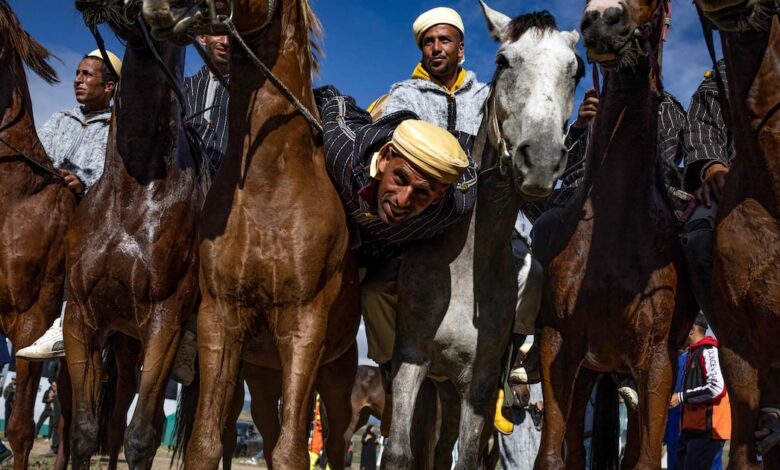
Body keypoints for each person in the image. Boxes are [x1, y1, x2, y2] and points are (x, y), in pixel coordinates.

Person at [524, 87, 688, 388]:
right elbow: (562, 168)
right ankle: (540, 331)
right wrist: (580, 126)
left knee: (691, 238)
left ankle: (677, 332)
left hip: (648, 198)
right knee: (547, 224)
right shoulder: (596, 100)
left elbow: (687, 161)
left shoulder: (671, 108)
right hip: (580, 195)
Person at [16, 50, 122, 361]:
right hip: (40, 210)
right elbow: (34, 157)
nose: (77, 80)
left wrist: (82, 184)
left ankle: (65, 322)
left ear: (109, 87)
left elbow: (116, 178)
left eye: (87, 75)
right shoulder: (59, 119)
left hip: (85, 216)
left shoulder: (118, 129)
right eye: (77, 73)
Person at [173, 34, 231, 385]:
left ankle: (191, 336)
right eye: (217, 31)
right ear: (202, 36)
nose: (224, 39)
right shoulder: (182, 85)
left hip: (224, 191)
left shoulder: (251, 90)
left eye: (231, 31)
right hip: (179, 184)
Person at [378, 7, 489, 136]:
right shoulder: (406, 95)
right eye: (428, 42)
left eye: (444, 40)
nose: (436, 48)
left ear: (460, 50)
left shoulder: (485, 96)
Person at [679, 61, 734, 322]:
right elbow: (704, 121)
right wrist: (712, 166)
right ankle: (725, 327)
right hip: (735, 181)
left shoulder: (668, 108)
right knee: (698, 234)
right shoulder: (729, 68)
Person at [671, 313, 730, 469]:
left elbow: (716, 387)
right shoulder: (692, 353)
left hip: (707, 432)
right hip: (691, 431)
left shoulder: (709, 350)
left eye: (682, 327)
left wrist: (681, 397)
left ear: (691, 329)